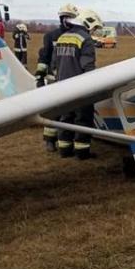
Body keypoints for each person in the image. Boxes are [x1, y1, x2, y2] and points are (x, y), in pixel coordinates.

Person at [54, 8, 102, 160]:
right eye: (94, 28)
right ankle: (82, 152)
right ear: (88, 23)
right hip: (79, 87)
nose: (93, 31)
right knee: (83, 119)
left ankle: (64, 150)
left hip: (62, 85)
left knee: (65, 118)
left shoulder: (62, 37)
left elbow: (55, 62)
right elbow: (87, 65)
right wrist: (93, 84)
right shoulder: (85, 39)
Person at [35, 3, 78, 152]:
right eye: (69, 17)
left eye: (73, 18)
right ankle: (50, 141)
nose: (71, 20)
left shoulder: (77, 36)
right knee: (54, 112)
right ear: (62, 18)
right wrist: (39, 76)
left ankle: (66, 141)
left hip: (71, 79)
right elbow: (44, 57)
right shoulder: (51, 36)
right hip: (55, 79)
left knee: (70, 112)